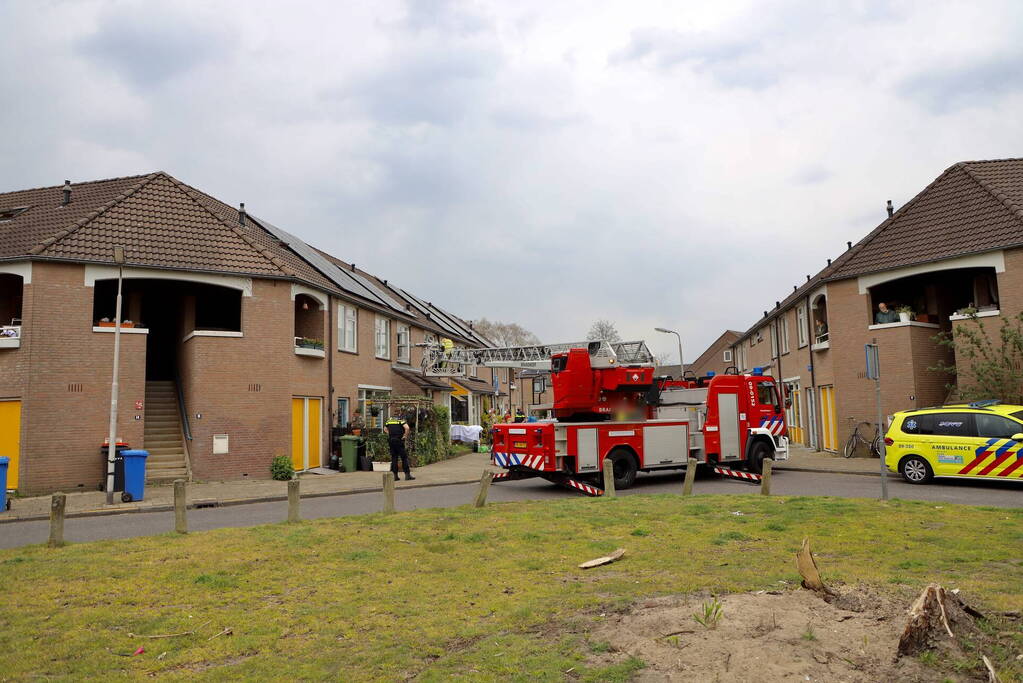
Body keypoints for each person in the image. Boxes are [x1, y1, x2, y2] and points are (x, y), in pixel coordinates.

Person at [385, 414, 414, 481]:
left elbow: (385, 429)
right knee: (404, 457)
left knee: (394, 458)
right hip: (399, 440)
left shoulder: (389, 421)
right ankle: (407, 475)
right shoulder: (401, 420)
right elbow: (407, 428)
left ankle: (395, 476)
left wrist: (390, 434)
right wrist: (405, 436)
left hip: (391, 441)